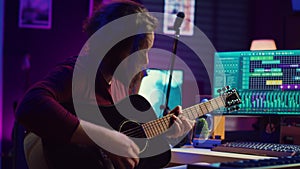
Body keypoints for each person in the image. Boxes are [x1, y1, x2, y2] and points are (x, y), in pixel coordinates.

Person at [15, 1, 194, 169]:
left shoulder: (119, 84)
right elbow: (30, 105)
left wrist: (164, 133)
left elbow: (124, 137)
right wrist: (103, 139)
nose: (146, 61)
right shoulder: (79, 73)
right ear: (117, 47)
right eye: (142, 52)